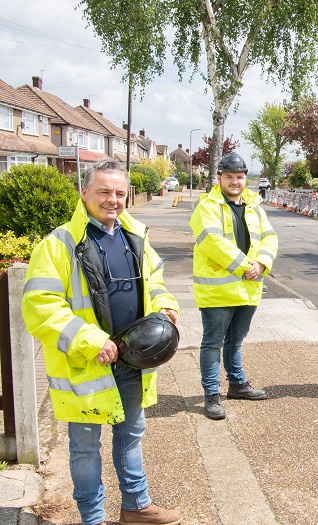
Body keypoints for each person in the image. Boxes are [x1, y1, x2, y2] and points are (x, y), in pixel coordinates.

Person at [22, 159, 183, 525]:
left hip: (132, 360)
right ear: (84, 193)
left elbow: (155, 283)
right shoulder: (58, 244)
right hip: (86, 365)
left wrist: (165, 307)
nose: (112, 200)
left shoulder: (135, 236)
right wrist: (88, 339)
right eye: (104, 192)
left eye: (119, 193)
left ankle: (136, 507)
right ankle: (92, 519)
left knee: (130, 434)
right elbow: (40, 307)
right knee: (83, 448)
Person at [190, 152, 278, 420]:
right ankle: (212, 395)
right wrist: (246, 266)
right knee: (213, 343)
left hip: (248, 287)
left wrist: (262, 264)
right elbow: (213, 242)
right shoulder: (207, 207)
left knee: (236, 341)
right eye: (229, 177)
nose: (235, 182)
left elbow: (270, 238)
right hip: (218, 290)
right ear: (219, 178)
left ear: (245, 179)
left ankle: (237, 385)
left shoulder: (254, 207)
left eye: (239, 177)